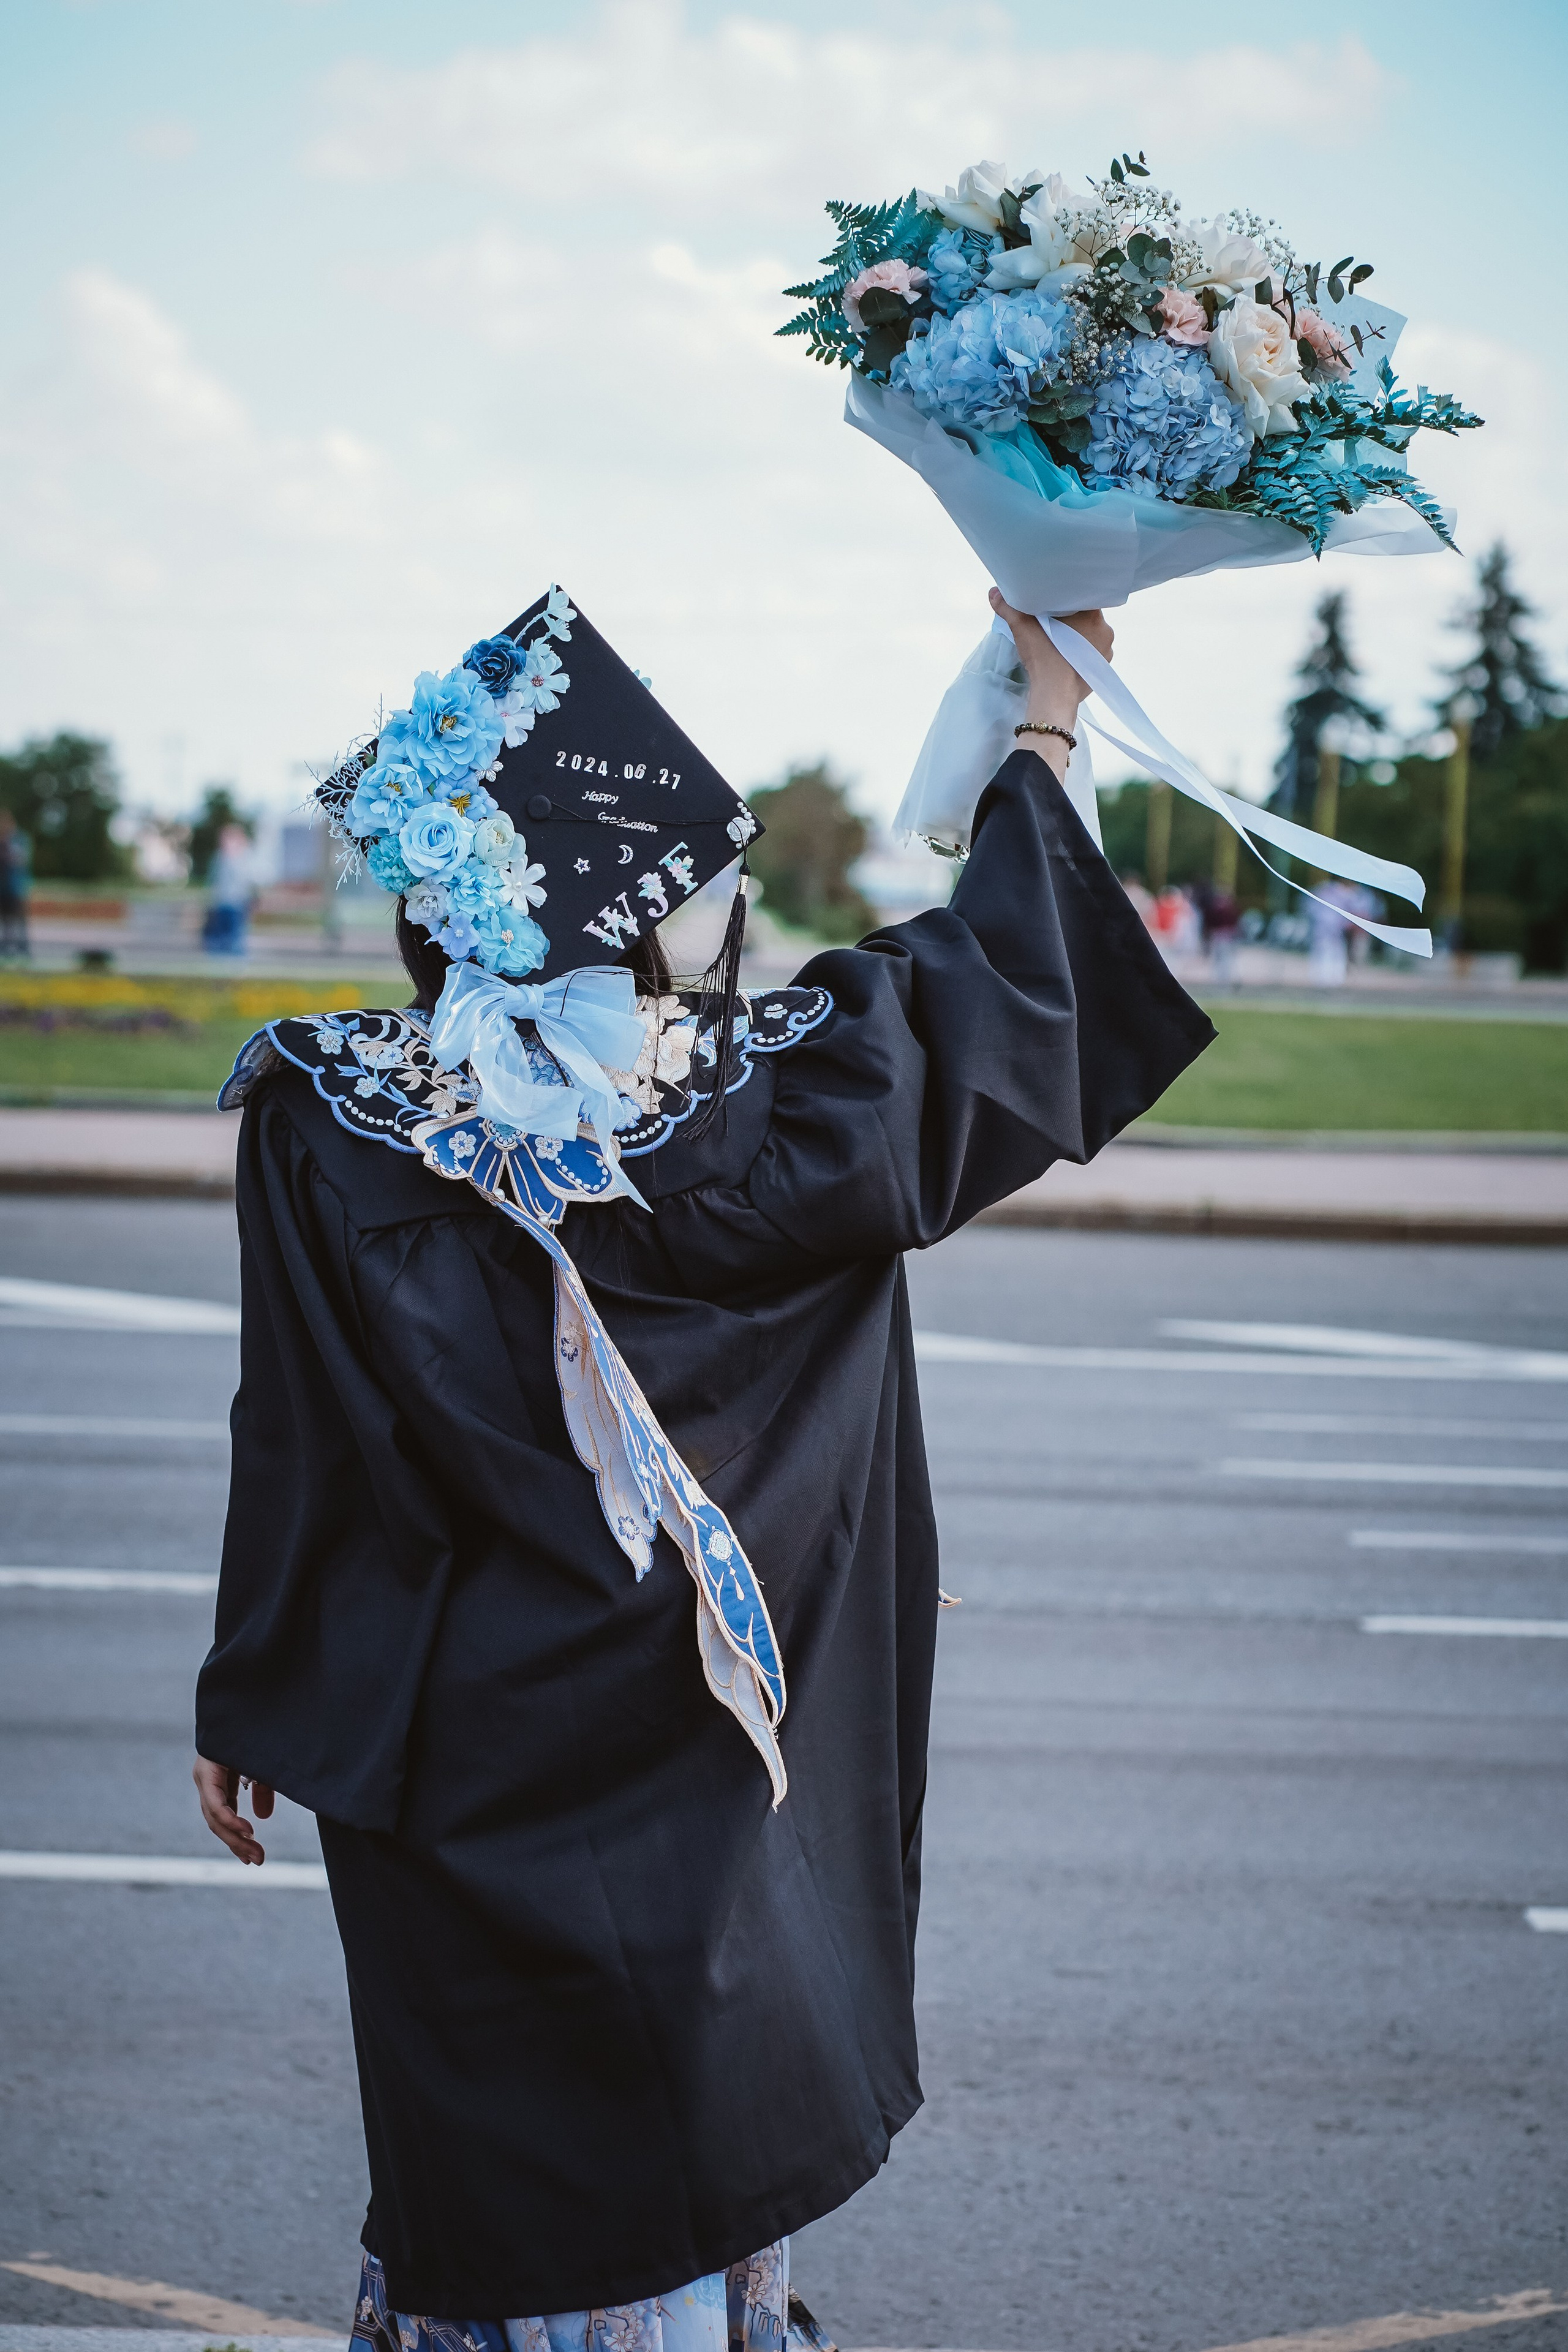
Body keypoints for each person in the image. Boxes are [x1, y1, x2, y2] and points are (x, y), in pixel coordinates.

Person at [194, 585, 1214, 2351]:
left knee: (508, 2178)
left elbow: (298, 1438)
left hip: (463, 1769)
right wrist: (1047, 709)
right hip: (701, 1764)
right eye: (704, 887)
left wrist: (253, 1691)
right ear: (634, 923)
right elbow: (1009, 981)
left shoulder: (323, 1119)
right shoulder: (778, 1119)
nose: (732, 916)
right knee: (682, 2142)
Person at [203, 821, 254, 955]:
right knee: (219, 940)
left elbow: (245, 883)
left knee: (234, 939)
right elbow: (214, 883)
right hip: (221, 905)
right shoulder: (219, 859)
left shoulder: (242, 860)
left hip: (236, 905)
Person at [0, 809, 31, 959]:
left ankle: (22, 949)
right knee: (5, 920)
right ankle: (5, 948)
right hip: (3, 888)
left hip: (15, 887)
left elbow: (20, 860)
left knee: (19, 919)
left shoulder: (19, 839)